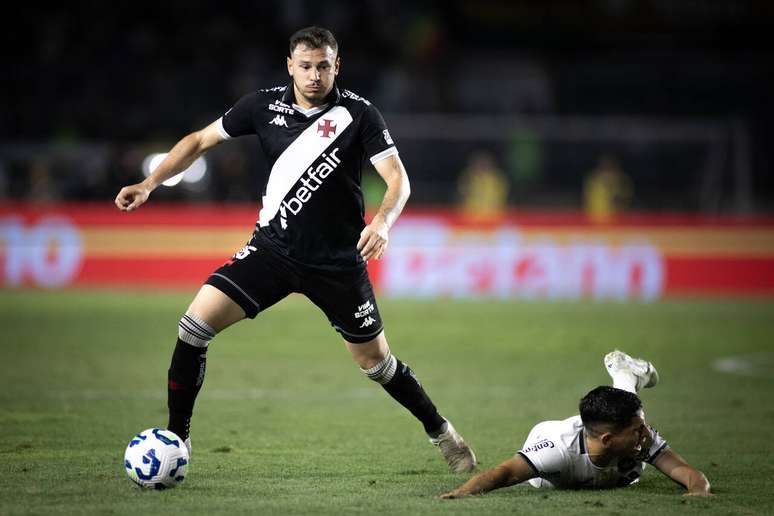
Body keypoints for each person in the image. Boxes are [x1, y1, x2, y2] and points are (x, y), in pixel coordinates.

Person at [114, 26, 476, 473]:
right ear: (290, 65)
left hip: (338, 263)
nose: (314, 75)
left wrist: (382, 221)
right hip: (273, 252)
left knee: (377, 364)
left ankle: (442, 432)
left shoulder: (359, 114)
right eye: (305, 66)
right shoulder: (262, 106)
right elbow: (199, 141)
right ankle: (178, 442)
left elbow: (398, 180)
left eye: (323, 66)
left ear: (336, 65)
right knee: (193, 327)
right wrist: (151, 183)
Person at [441, 350, 711, 498]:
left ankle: (625, 375)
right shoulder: (556, 451)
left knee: (627, 411)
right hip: (550, 438)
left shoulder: (639, 439)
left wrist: (698, 491)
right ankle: (625, 376)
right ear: (607, 441)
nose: (646, 435)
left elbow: (689, 473)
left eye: (642, 430)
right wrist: (460, 493)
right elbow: (505, 473)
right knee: (624, 416)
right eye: (638, 432)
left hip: (605, 429)